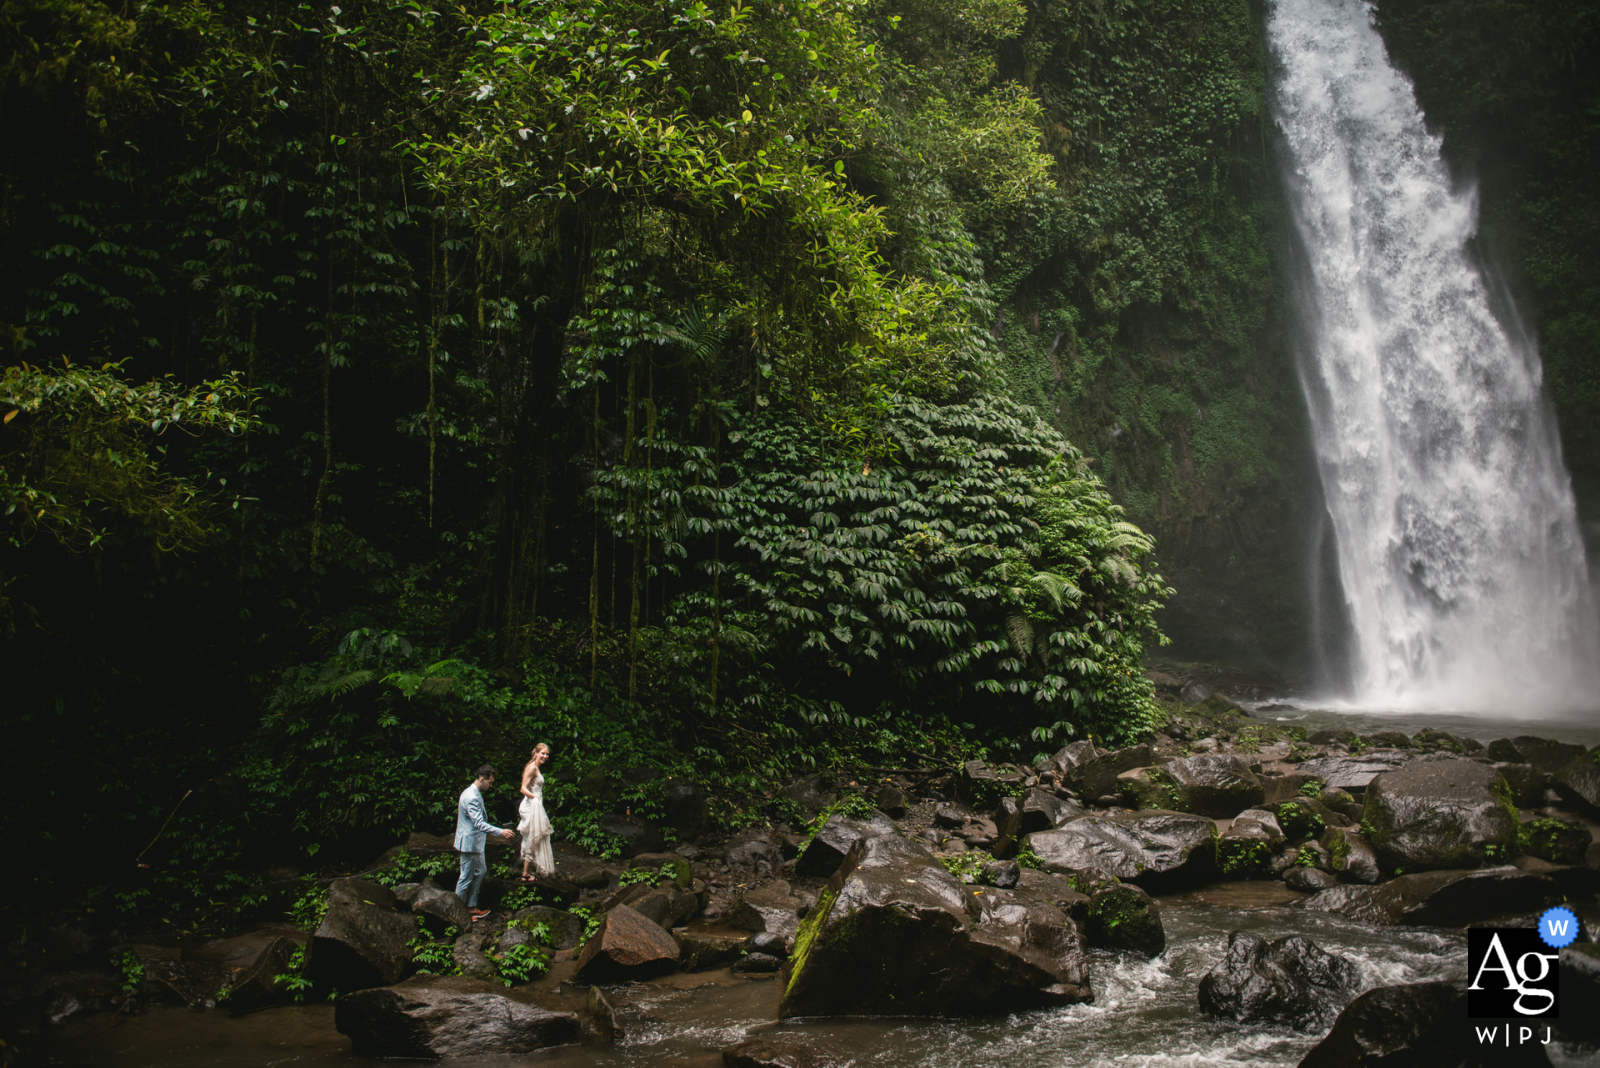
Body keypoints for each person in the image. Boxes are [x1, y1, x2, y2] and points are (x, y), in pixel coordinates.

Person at [455, 764, 513, 921]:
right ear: (481, 779)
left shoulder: (474, 793)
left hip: (476, 843)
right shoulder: (471, 797)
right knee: (465, 878)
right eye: (490, 782)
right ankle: (458, 913)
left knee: (481, 871)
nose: (490, 785)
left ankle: (471, 907)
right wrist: (500, 832)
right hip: (469, 843)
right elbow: (479, 824)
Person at [517, 743, 555, 881]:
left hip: (536, 805)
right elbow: (523, 788)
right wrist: (534, 797)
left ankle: (527, 872)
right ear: (536, 753)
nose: (545, 756)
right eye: (542, 753)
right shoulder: (532, 767)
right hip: (530, 806)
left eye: (547, 754)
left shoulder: (536, 768)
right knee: (532, 836)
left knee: (534, 836)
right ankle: (525, 873)